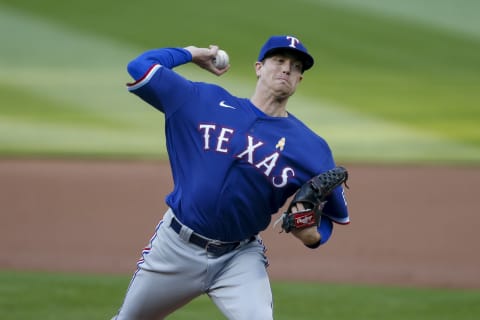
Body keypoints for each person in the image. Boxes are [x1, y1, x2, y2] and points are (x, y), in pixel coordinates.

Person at [112, 35, 349, 320]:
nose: (287, 69)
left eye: (296, 66)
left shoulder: (311, 148)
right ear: (259, 67)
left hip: (239, 258)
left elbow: (329, 217)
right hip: (175, 247)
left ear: (299, 79)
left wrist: (312, 236)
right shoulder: (201, 101)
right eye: (279, 61)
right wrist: (191, 53)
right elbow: (140, 66)